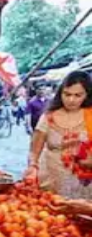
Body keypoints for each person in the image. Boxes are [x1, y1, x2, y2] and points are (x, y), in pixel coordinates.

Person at [24, 71, 92, 199]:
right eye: (67, 94)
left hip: (84, 185)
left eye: (78, 95)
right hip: (51, 181)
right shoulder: (48, 117)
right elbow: (34, 151)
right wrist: (32, 166)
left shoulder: (90, 116)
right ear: (60, 93)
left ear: (87, 95)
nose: (71, 100)